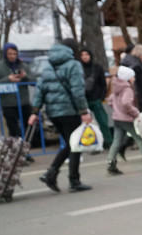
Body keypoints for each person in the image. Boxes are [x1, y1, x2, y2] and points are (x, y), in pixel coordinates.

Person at [28, 39, 93, 192]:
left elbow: (40, 90)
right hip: (69, 111)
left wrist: (34, 112)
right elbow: (78, 91)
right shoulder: (73, 65)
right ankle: (73, 180)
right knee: (75, 144)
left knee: (70, 144)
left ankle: (52, 174)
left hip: (52, 112)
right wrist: (83, 111)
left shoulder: (48, 66)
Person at [106, 66, 142, 175]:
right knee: (139, 138)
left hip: (117, 117)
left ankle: (110, 162)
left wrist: (117, 109)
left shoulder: (116, 86)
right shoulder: (127, 89)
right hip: (126, 118)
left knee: (117, 141)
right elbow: (126, 103)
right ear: (127, 77)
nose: (134, 78)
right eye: (132, 76)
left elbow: (110, 101)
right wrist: (136, 113)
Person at [0, 43, 34, 148]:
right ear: (5, 54)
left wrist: (25, 77)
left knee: (28, 127)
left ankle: (25, 151)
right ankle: (15, 152)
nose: (12, 56)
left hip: (24, 102)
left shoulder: (23, 66)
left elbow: (34, 81)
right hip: (8, 103)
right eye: (10, 54)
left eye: (15, 54)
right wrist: (8, 79)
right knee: (14, 129)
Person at [79, 47, 112, 149]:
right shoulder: (78, 68)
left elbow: (103, 83)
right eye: (82, 55)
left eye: (86, 54)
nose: (85, 57)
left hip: (96, 98)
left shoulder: (97, 67)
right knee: (85, 124)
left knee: (103, 121)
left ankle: (108, 142)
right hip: (84, 100)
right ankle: (90, 143)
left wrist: (101, 96)